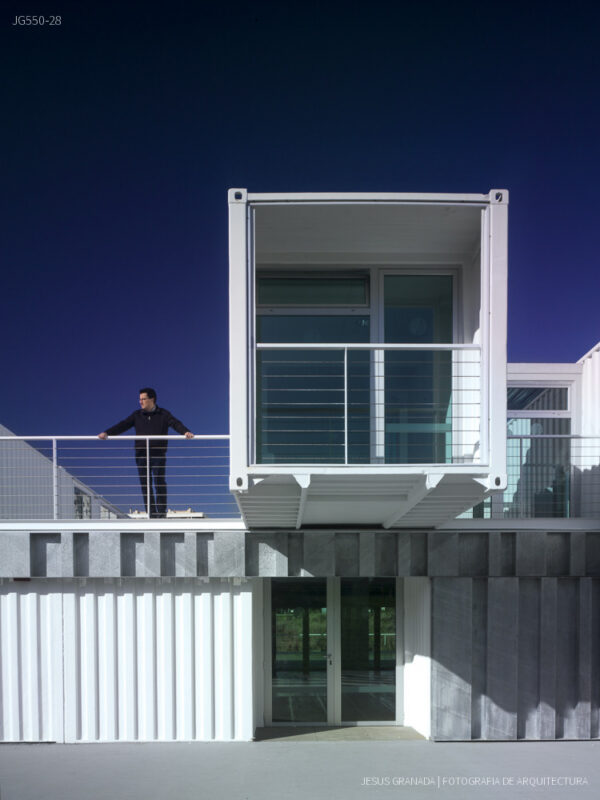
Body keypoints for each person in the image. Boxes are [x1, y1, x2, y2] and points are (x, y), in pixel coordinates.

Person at [99, 388, 194, 518]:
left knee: (159, 481)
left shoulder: (163, 414)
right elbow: (123, 425)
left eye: (143, 399)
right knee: (145, 484)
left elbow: (176, 424)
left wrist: (185, 432)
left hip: (158, 453)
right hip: (141, 454)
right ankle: (152, 514)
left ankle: (161, 513)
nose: (140, 402)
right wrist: (107, 433)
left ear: (152, 399)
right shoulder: (137, 415)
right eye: (140, 399)